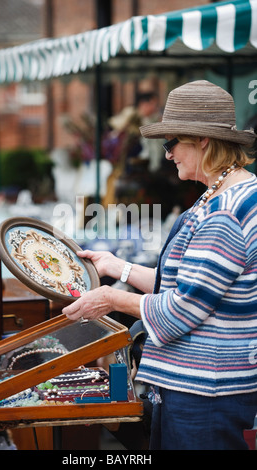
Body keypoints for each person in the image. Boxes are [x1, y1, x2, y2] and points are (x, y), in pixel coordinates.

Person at [62, 80, 257, 450]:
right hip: (204, 388)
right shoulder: (227, 194)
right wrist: (118, 267)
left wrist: (112, 299)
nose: (167, 155)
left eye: (171, 143)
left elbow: (184, 308)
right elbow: (189, 286)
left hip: (206, 394)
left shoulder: (224, 213)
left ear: (202, 140)